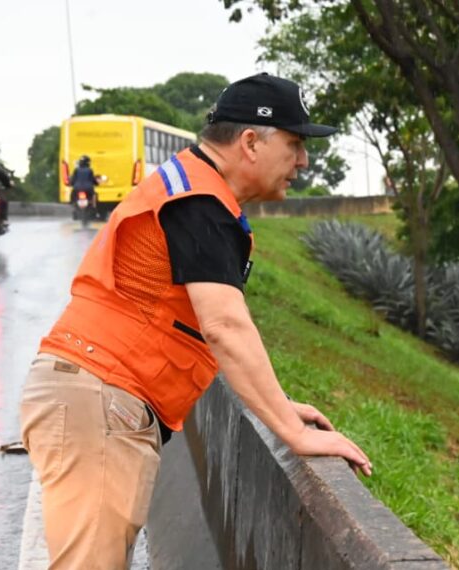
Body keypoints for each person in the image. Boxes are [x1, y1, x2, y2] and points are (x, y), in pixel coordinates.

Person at [18, 73, 372, 569]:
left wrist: (281, 405)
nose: (303, 161)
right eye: (295, 144)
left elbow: (184, 333)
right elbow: (224, 327)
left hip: (82, 394)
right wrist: (297, 436)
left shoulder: (191, 187)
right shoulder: (199, 203)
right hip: (99, 401)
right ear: (251, 141)